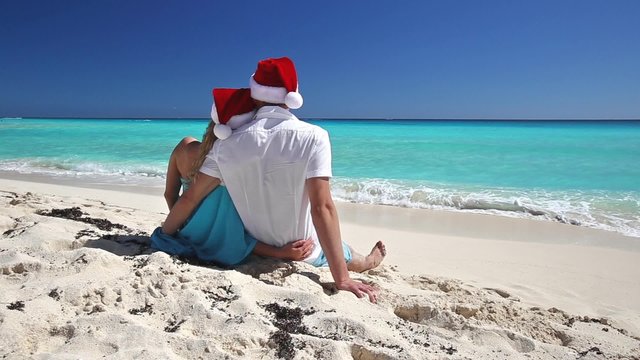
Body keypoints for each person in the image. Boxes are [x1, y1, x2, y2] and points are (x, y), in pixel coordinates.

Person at [162, 57, 385, 302]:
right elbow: (322, 208)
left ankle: (363, 260)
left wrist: (165, 234)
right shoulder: (315, 137)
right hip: (303, 248)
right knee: (344, 250)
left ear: (255, 97)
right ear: (293, 96)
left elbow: (191, 198)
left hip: (254, 244)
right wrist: (341, 279)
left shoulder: (225, 146)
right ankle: (366, 262)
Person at [151, 88, 314, 266]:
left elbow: (170, 195)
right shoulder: (229, 159)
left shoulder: (184, 146)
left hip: (185, 225)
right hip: (220, 240)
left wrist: (181, 227)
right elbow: (237, 236)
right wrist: (280, 251)